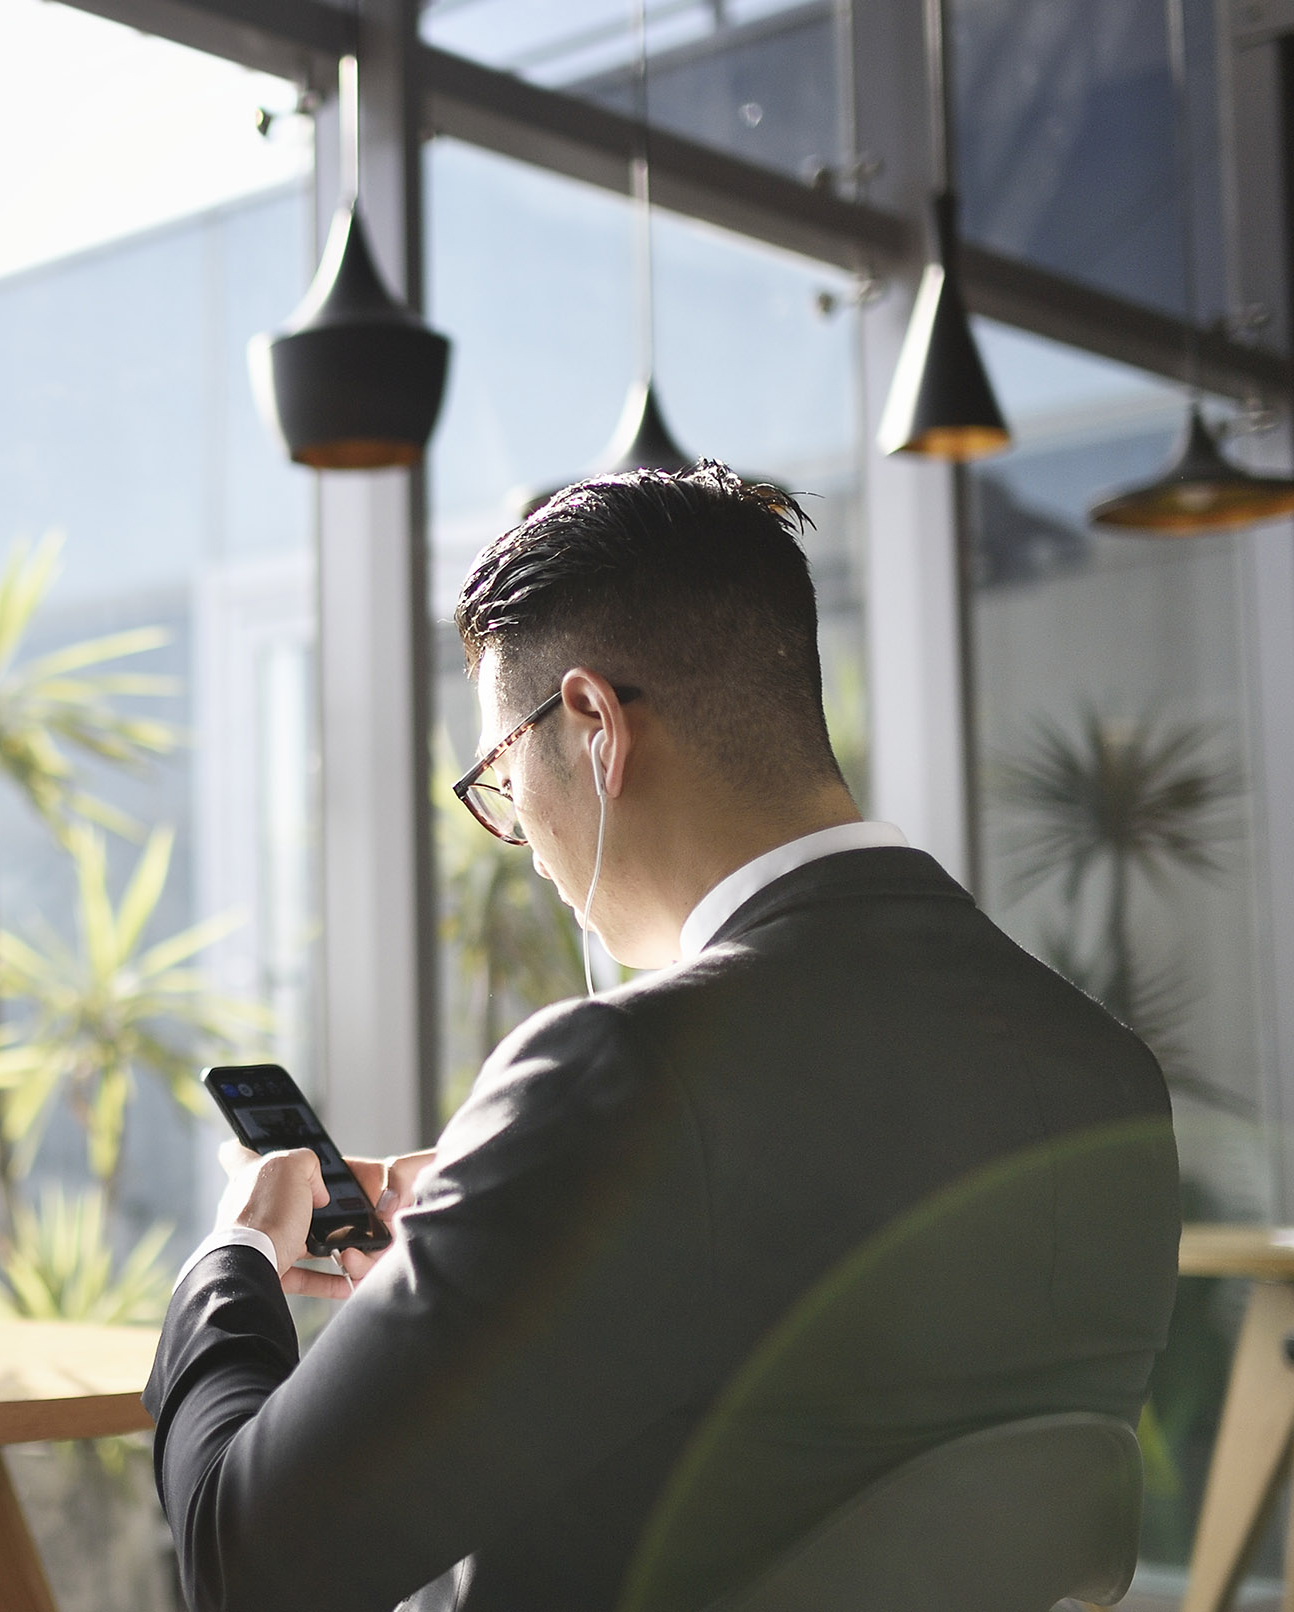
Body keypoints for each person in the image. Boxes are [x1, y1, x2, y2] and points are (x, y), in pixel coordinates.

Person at [144, 464, 1178, 1612]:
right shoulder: (1102, 1067)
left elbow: (242, 1564)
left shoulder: (621, 1073)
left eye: (498, 773)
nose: (519, 837)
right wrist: (506, 1231)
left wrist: (232, 1255)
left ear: (591, 725)